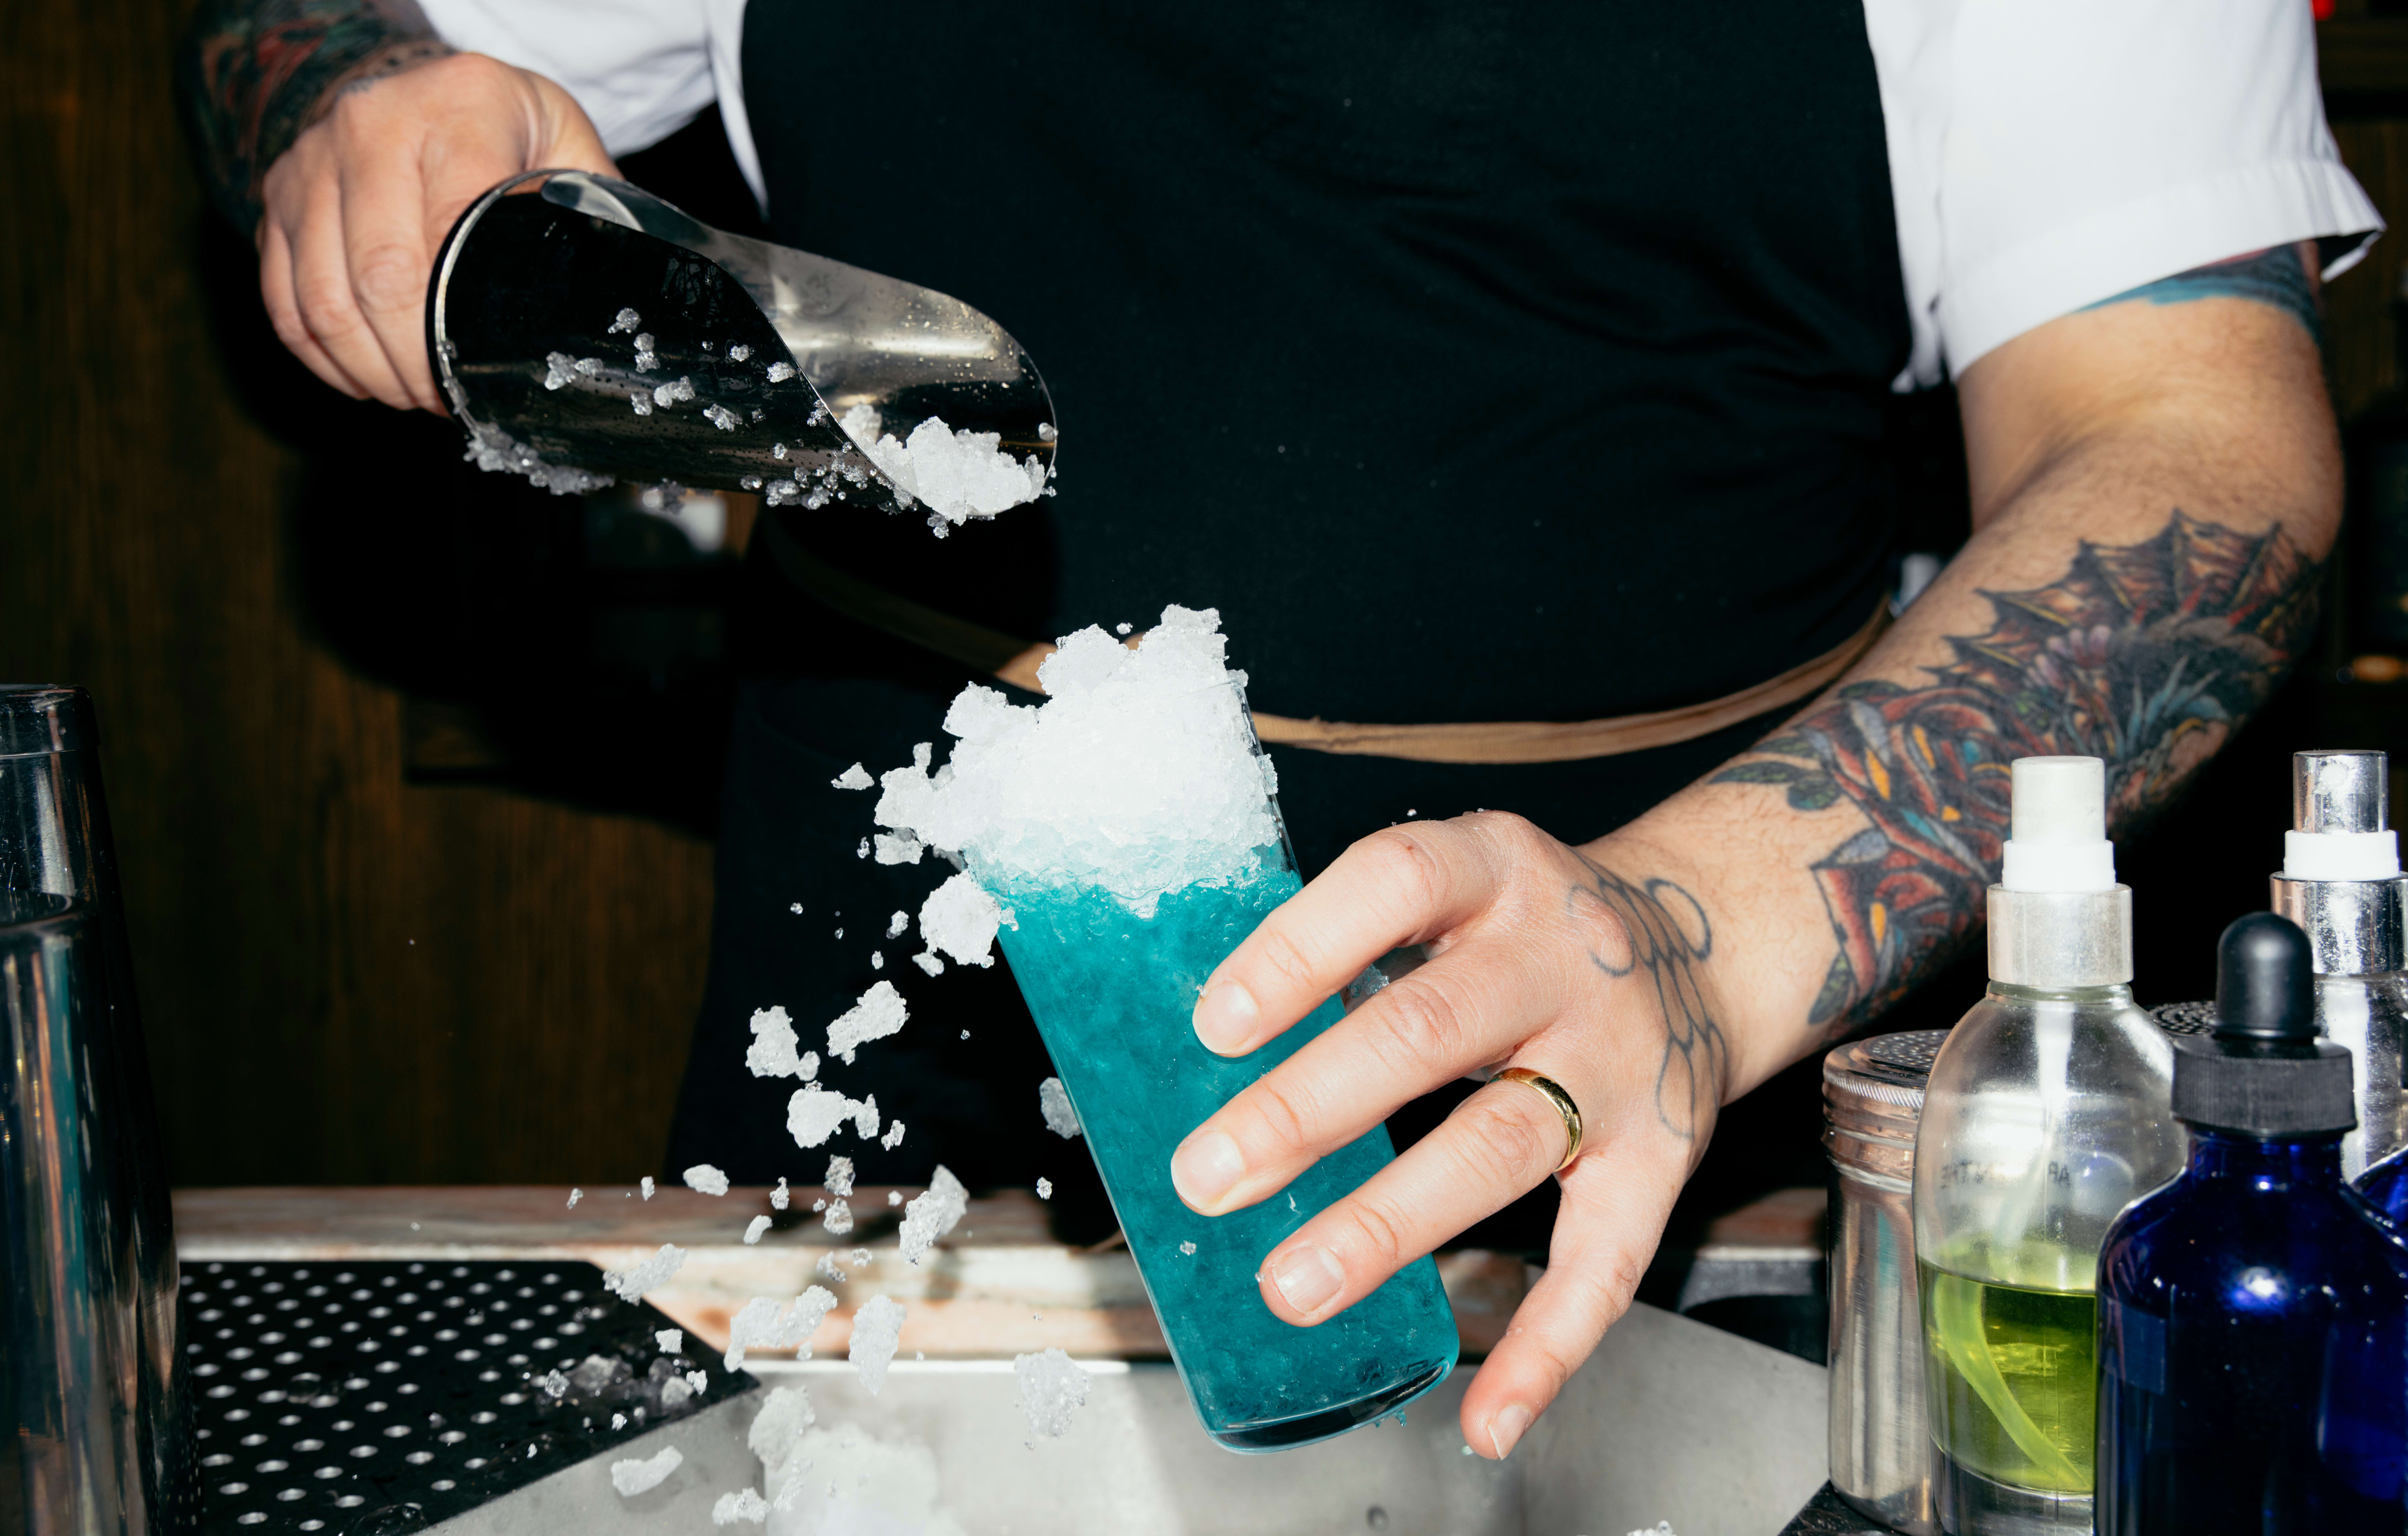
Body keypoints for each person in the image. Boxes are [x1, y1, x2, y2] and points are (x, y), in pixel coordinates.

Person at [184, 0, 2374, 1463]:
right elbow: (316, 24)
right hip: (896, 1078)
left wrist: (1696, 938)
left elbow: (2195, 449)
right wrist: (353, 104)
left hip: (1657, 1099)